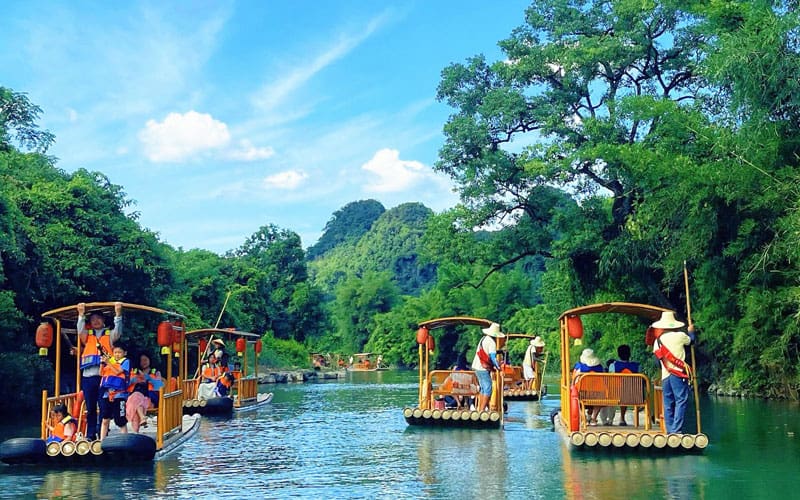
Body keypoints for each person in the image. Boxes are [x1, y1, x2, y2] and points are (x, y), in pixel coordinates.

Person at [77, 302, 122, 441]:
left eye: (98, 318)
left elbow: (118, 331)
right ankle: (90, 434)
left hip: (105, 377)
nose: (96, 321)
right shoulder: (87, 336)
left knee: (104, 406)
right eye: (93, 319)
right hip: (88, 377)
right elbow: (80, 330)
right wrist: (81, 315)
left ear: (103, 320)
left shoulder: (109, 335)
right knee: (90, 407)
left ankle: (102, 432)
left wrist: (118, 315)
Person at [651, 311, 695, 434]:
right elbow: (691, 341)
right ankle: (676, 430)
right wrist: (691, 331)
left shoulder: (657, 341)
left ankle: (670, 431)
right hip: (678, 374)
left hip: (665, 375)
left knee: (668, 403)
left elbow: (657, 361)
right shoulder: (680, 335)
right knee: (681, 400)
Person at [98, 343, 130, 440]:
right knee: (105, 419)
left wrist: (108, 363)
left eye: (119, 352)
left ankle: (124, 441)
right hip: (107, 393)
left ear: (124, 353)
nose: (117, 354)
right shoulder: (110, 362)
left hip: (119, 394)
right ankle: (101, 441)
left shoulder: (126, 361)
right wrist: (102, 363)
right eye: (115, 352)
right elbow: (100, 373)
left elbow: (117, 372)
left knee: (120, 420)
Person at [471, 322, 505, 412]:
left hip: (477, 366)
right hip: (483, 368)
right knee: (488, 388)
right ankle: (482, 410)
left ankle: (480, 409)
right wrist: (498, 367)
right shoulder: (492, 342)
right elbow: (493, 357)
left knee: (483, 388)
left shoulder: (483, 339)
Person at [607, 344, 640, 426]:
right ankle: (622, 418)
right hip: (635, 394)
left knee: (619, 391)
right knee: (625, 391)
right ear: (629, 354)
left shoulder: (613, 365)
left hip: (616, 393)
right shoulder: (637, 366)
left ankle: (610, 419)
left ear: (618, 354)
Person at [572, 348, 605, 426]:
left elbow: (574, 382)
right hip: (597, 395)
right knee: (600, 397)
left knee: (575, 397)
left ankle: (584, 419)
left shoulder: (579, 368)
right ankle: (593, 419)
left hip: (582, 394)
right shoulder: (600, 368)